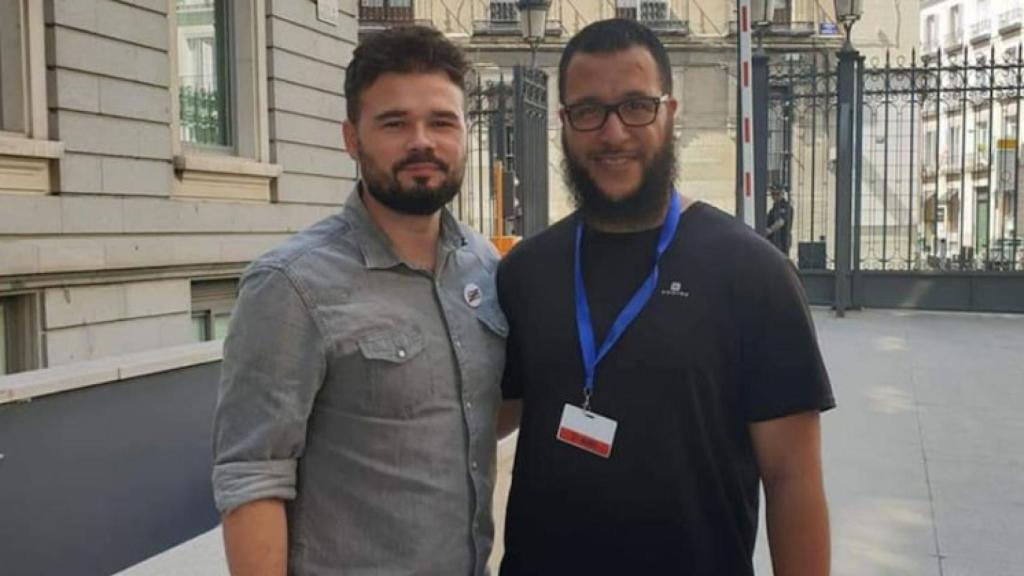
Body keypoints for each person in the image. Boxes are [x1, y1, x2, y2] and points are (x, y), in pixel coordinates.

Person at [496, 19, 835, 575]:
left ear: (669, 113)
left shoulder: (753, 273)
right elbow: (483, 416)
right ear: (563, 123)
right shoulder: (525, 271)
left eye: (635, 105)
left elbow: (792, 478)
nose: (612, 132)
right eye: (588, 111)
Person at [211, 26, 507, 576]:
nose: (422, 140)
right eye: (394, 123)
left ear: (464, 133)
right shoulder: (291, 284)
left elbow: (479, 411)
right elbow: (252, 475)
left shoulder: (485, 266)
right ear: (352, 138)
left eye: (442, 121)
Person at [767, 185, 794, 255]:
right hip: (773, 241)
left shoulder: (785, 207)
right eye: (773, 194)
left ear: (782, 194)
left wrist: (769, 230)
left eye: (777, 194)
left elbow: (780, 222)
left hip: (782, 241)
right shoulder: (774, 208)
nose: (774, 197)